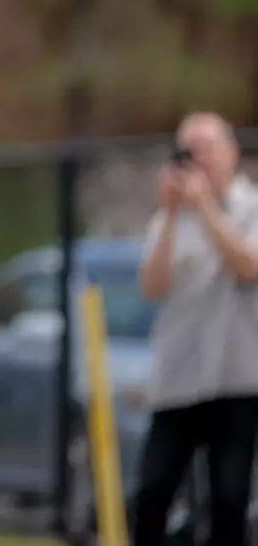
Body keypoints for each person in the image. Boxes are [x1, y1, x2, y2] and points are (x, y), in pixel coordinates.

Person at [135, 112, 258, 546]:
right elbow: (152, 286)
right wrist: (170, 215)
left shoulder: (252, 207)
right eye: (188, 150)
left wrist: (206, 207)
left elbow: (248, 267)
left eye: (206, 148)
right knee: (152, 491)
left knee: (230, 496)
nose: (197, 160)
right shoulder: (168, 220)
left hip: (237, 377)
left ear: (231, 151)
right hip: (179, 378)